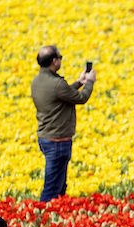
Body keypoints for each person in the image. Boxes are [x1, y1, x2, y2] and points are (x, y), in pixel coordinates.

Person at [31, 45, 96, 202]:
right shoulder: (57, 84)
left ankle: (54, 217)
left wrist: (79, 82)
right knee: (54, 188)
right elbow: (80, 98)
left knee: (57, 186)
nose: (61, 60)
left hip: (46, 138)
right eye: (60, 57)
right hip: (57, 141)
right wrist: (90, 83)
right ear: (54, 61)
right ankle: (43, 214)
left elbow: (63, 94)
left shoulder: (38, 80)